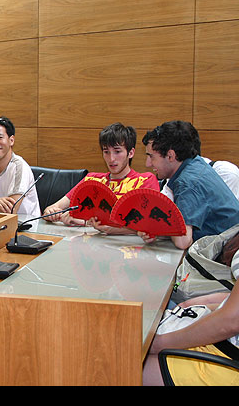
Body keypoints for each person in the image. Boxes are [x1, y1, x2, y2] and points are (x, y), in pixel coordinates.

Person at [43, 122, 159, 234]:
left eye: (117, 151)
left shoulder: (145, 180)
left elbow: (149, 224)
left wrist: (87, 223)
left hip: (128, 245)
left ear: (131, 153)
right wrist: (51, 212)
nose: (111, 159)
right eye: (106, 152)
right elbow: (53, 208)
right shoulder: (91, 180)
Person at [142, 254, 239, 385]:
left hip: (224, 364)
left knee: (123, 360)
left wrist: (156, 344)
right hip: (220, 348)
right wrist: (211, 302)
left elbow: (230, 322)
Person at [142, 120, 239, 250]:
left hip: (226, 254)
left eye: (151, 156)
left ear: (170, 156)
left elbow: (182, 241)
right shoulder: (196, 164)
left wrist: (159, 227)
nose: (148, 163)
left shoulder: (187, 183)